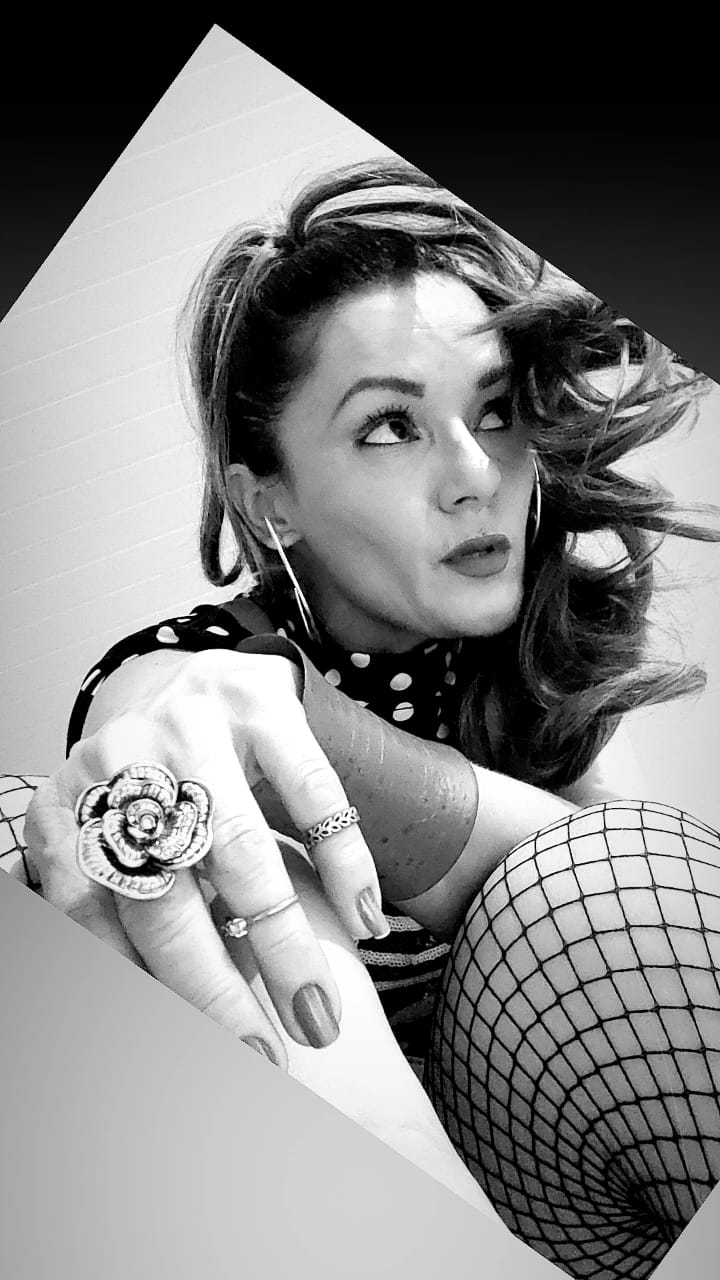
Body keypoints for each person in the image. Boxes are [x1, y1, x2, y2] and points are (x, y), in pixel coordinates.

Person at [22, 158, 720, 1278]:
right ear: (270, 501)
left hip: (585, 1181)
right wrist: (199, 714)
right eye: (390, 426)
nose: (475, 473)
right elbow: (160, 715)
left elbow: (632, 896)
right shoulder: (195, 670)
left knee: (587, 885)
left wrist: (335, 737)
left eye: (494, 410)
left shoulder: (535, 657)